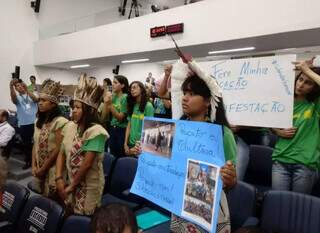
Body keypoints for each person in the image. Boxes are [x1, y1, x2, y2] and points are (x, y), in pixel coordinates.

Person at [162, 55, 237, 232]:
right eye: (184, 93)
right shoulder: (176, 129)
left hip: (209, 209)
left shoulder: (222, 134)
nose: (185, 98)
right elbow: (168, 164)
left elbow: (232, 181)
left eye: (192, 94)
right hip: (180, 203)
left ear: (207, 101)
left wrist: (230, 177)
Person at [56, 74, 108, 216]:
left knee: (85, 216)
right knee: (70, 214)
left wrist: (71, 187)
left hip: (89, 185)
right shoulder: (70, 126)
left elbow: (86, 164)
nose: (74, 110)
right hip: (71, 180)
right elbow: (61, 152)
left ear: (89, 110)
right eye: (73, 107)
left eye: (78, 107)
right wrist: (59, 178)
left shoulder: (96, 132)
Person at [271, 59, 320, 194]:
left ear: (315, 87)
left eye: (308, 83)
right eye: (300, 79)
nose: (301, 85)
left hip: (305, 164)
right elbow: (269, 122)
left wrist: (307, 70)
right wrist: (278, 132)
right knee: (279, 204)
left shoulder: (315, 105)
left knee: (297, 209)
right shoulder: (283, 101)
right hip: (280, 160)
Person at [31, 79, 68, 199]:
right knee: (42, 198)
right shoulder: (38, 121)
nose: (40, 103)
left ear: (53, 104)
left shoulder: (60, 122)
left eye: (44, 100)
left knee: (52, 201)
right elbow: (35, 145)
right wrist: (34, 166)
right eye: (39, 100)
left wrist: (43, 168)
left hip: (53, 169)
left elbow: (58, 149)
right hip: (39, 167)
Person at [10, 79, 38, 169]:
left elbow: (36, 99)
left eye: (21, 85)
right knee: (26, 144)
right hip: (23, 124)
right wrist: (11, 87)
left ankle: (37, 161)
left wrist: (27, 90)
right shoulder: (17, 98)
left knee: (37, 143)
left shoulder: (31, 94)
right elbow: (13, 99)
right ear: (16, 89)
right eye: (17, 86)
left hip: (34, 123)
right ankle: (28, 161)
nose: (20, 87)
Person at [124, 81, 154, 157]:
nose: (132, 90)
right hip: (130, 143)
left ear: (141, 89)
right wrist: (125, 143)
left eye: (134, 87)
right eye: (131, 88)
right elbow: (129, 125)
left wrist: (139, 145)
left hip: (140, 146)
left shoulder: (148, 106)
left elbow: (150, 129)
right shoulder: (132, 105)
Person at [102, 75, 129, 157]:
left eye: (115, 82)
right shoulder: (113, 97)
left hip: (121, 129)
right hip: (112, 127)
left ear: (122, 85)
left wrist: (110, 104)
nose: (113, 84)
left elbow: (120, 118)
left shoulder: (125, 97)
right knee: (112, 153)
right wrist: (106, 103)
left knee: (120, 154)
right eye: (113, 82)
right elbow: (104, 116)